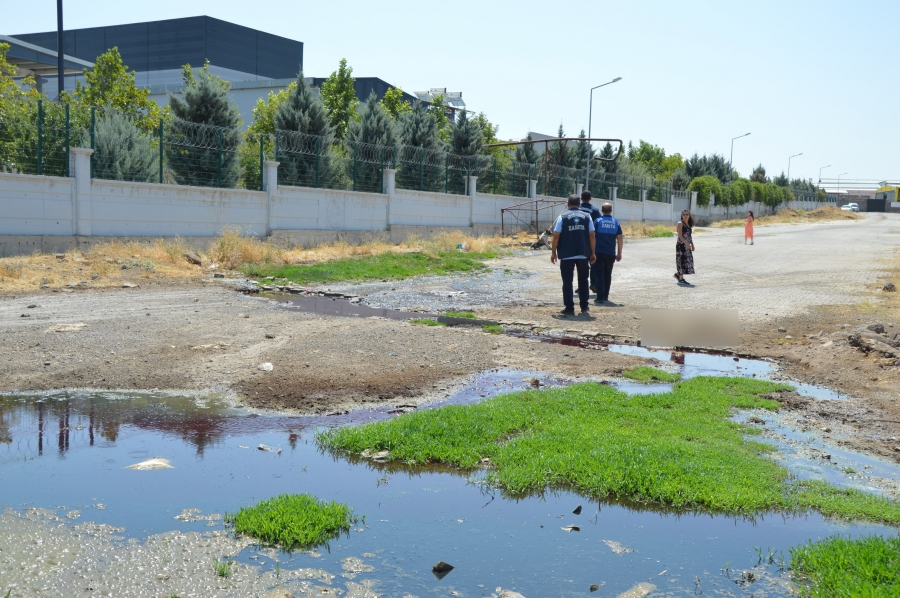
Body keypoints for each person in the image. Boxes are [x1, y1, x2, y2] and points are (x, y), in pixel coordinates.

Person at [551, 195, 596, 315]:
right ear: (579, 205)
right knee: (583, 281)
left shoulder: (562, 217)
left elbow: (556, 236)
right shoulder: (587, 216)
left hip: (566, 254)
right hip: (583, 253)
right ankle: (584, 307)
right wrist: (593, 252)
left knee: (567, 281)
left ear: (568, 204)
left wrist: (553, 252)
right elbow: (592, 235)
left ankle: (569, 308)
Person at [593, 202, 623, 305]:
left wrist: (591, 251)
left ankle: (600, 297)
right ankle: (605, 296)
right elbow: (620, 238)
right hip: (610, 253)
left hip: (599, 252)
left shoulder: (598, 221)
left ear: (602, 210)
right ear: (611, 210)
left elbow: (593, 236)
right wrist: (619, 252)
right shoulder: (616, 222)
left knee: (599, 274)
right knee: (608, 274)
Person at [579, 190, 601, 293]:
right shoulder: (595, 210)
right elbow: (598, 226)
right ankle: (593, 283)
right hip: (591, 239)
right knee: (593, 261)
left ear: (581, 198)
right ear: (590, 199)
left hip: (579, 240)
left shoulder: (577, 209)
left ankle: (581, 285)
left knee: (580, 263)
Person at [674, 209, 695, 285]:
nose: (685, 216)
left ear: (689, 216)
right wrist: (686, 243)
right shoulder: (680, 223)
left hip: (687, 245)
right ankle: (681, 279)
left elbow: (689, 236)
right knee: (681, 261)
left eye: (687, 214)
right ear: (682, 215)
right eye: (684, 214)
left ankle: (678, 275)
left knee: (687, 261)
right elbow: (680, 235)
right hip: (681, 245)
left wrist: (692, 244)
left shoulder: (688, 224)